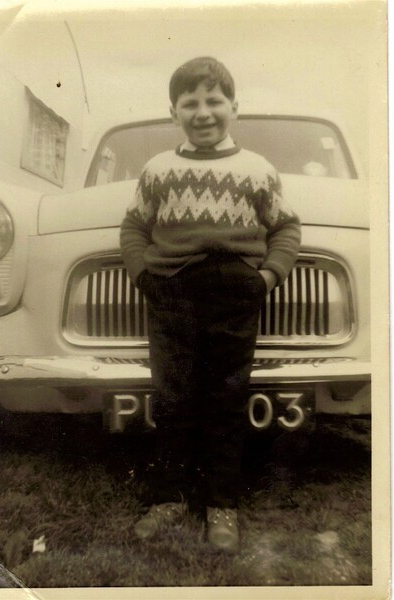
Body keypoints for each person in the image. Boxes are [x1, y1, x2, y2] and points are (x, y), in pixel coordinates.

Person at [120, 56, 301, 551]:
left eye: (214, 100)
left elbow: (285, 228)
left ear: (234, 107)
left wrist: (266, 278)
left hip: (235, 296)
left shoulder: (257, 170)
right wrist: (142, 274)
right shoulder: (158, 169)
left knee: (225, 400)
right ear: (173, 111)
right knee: (174, 399)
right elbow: (135, 228)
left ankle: (222, 504)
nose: (203, 112)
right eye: (190, 103)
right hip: (171, 293)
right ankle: (169, 498)